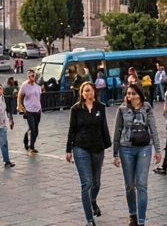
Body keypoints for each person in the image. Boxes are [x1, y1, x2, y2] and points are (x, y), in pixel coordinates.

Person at [112, 84, 161, 226]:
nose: (130, 96)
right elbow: (117, 131)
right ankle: (132, 214)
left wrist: (158, 150)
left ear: (139, 94)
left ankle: (141, 221)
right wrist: (115, 153)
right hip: (126, 148)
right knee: (129, 185)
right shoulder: (121, 109)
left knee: (142, 184)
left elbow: (153, 129)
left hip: (144, 148)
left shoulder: (147, 107)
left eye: (133, 93)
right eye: (128, 94)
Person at [67, 81, 112, 226]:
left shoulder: (101, 107)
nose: (88, 93)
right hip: (81, 147)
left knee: (96, 182)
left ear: (94, 92)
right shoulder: (76, 109)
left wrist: (109, 146)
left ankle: (93, 200)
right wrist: (68, 149)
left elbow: (103, 127)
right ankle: (89, 220)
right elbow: (72, 129)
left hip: (98, 147)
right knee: (86, 183)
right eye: (86, 91)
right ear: (81, 93)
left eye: (90, 90)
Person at [19, 70, 44, 154]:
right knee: (32, 129)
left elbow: (38, 97)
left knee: (35, 130)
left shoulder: (37, 87)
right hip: (28, 111)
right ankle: (31, 147)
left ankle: (26, 139)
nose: (31, 77)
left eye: (32, 75)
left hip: (37, 110)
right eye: (29, 76)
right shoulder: (24, 86)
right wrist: (22, 109)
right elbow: (20, 98)